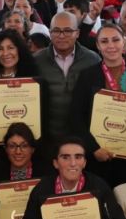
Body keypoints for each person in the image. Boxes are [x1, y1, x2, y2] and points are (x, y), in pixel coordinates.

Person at [71, 23, 126, 188]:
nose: (111, 46)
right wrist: (93, 148)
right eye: (105, 41)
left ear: (123, 42)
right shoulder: (87, 75)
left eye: (115, 40)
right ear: (98, 46)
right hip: (98, 157)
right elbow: (76, 117)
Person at [33, 11, 101, 145]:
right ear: (50, 33)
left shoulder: (93, 60)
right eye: (56, 31)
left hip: (84, 139)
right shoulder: (36, 61)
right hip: (47, 138)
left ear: (77, 33)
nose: (62, 36)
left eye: (68, 31)